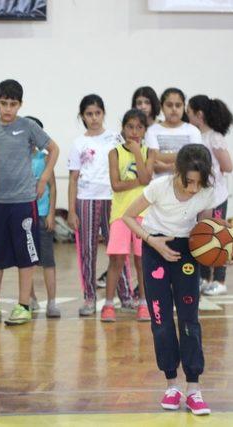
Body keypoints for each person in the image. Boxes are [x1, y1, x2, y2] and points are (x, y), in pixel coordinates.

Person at [122, 144, 233, 416]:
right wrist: (152, 241)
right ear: (177, 171)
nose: (192, 189)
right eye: (188, 182)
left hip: (186, 253)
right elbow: (128, 217)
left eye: (198, 184)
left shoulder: (207, 192)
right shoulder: (159, 187)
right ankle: (171, 385)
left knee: (189, 321)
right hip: (155, 250)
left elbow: (207, 231)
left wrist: (230, 250)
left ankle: (193, 388)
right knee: (161, 322)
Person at [0, 79, 59, 325]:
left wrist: (43, 179)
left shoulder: (29, 126)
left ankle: (23, 305)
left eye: (13, 104)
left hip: (24, 202)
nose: (8, 109)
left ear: (20, 105)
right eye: (3, 103)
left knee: (26, 255)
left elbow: (54, 149)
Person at [67, 94, 133, 317]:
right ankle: (89, 297)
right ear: (82, 116)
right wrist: (72, 210)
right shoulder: (78, 143)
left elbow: (127, 166)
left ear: (103, 113)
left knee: (118, 250)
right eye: (89, 114)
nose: (94, 118)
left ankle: (126, 297)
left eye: (97, 113)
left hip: (114, 199)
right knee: (87, 250)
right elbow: (73, 179)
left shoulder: (116, 138)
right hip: (86, 200)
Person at [102, 109, 156, 322]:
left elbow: (147, 177)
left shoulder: (149, 152)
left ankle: (143, 303)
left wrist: (136, 153)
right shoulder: (114, 152)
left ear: (144, 130)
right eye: (130, 127)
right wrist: (140, 182)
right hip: (121, 214)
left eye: (139, 127)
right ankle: (108, 305)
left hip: (144, 214)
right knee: (116, 260)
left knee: (142, 261)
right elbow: (116, 185)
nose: (134, 131)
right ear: (123, 128)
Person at [187, 95, 233, 296]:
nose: (186, 116)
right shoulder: (196, 136)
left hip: (216, 196)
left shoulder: (214, 137)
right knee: (203, 235)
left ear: (199, 114)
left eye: (188, 112)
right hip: (202, 196)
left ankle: (220, 279)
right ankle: (204, 277)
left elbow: (227, 165)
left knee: (219, 236)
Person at [26, 116, 59, 318]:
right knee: (26, 261)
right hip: (23, 217)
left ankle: (52, 302)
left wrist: (52, 213)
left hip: (43, 214)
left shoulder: (45, 158)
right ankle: (29, 297)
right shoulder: (16, 158)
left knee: (48, 261)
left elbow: (53, 186)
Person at [145, 88, 205, 178]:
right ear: (162, 107)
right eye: (169, 105)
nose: (174, 109)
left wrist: (166, 166)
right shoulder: (152, 130)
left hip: (187, 184)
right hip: (159, 186)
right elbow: (153, 158)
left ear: (184, 107)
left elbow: (196, 160)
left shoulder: (193, 131)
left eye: (178, 105)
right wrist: (185, 157)